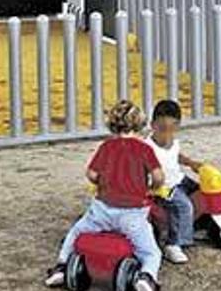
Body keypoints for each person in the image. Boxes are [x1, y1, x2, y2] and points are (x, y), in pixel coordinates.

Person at [45, 101, 165, 291]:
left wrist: (101, 182)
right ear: (139, 123)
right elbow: (159, 176)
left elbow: (91, 174)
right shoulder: (144, 149)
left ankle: (61, 267)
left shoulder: (106, 147)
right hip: (132, 214)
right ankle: (147, 277)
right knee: (151, 252)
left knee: (75, 233)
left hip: (101, 211)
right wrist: (152, 187)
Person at [147, 100, 206, 264]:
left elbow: (177, 156)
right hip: (163, 188)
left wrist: (191, 163)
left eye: (172, 128)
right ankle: (174, 244)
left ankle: (200, 223)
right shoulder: (148, 147)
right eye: (162, 128)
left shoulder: (174, 142)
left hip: (179, 179)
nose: (167, 133)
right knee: (184, 205)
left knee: (203, 192)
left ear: (178, 127)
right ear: (152, 125)